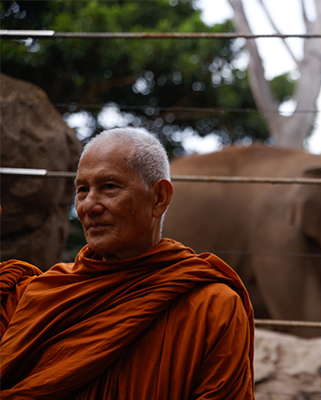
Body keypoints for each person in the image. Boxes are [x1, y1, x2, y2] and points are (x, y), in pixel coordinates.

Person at [0, 128, 255, 399]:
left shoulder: (212, 306)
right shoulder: (37, 294)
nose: (88, 205)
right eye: (82, 189)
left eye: (109, 187)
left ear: (159, 198)